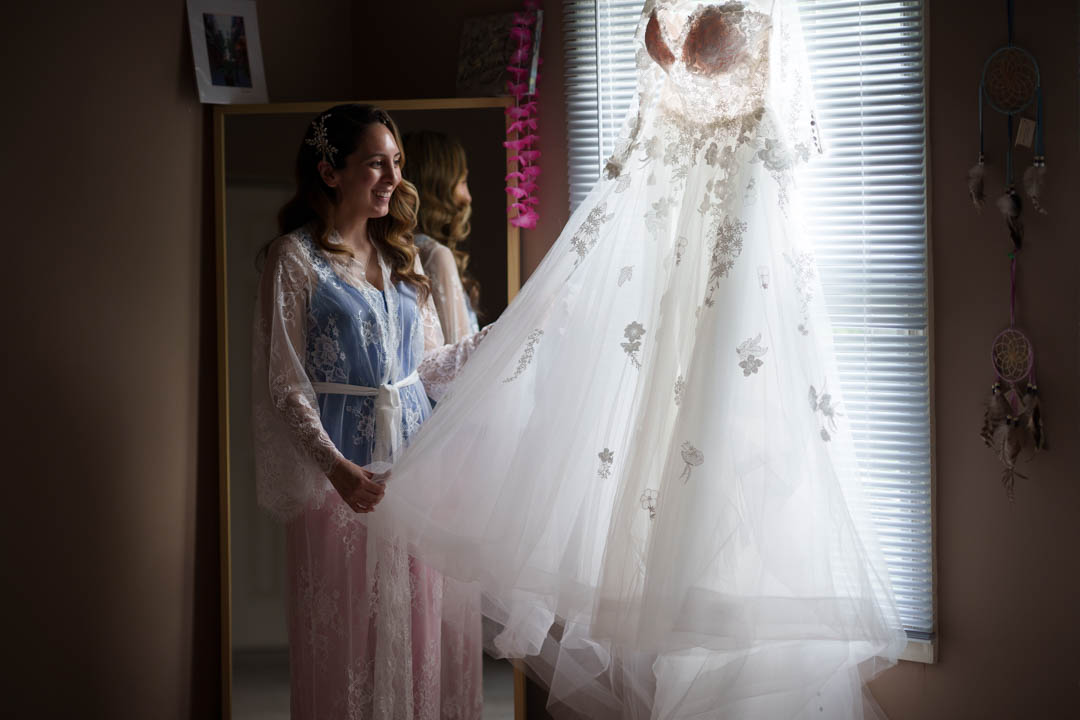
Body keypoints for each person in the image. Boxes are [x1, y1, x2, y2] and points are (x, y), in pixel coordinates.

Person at [376, 2, 908, 718]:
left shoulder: (760, 12)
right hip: (664, 254)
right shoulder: (667, 13)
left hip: (736, 254)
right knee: (657, 466)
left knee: (728, 456)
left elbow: (786, 128)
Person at [251, 104, 486, 720]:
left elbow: (431, 366)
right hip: (341, 481)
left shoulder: (404, 258)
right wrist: (335, 470)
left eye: (397, 163)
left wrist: (508, 340)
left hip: (414, 475)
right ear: (331, 172)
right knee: (347, 643)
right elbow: (286, 386)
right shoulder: (295, 259)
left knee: (414, 636)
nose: (392, 177)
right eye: (376, 163)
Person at [403, 131, 482, 344]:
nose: (468, 197)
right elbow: (459, 357)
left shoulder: (399, 247)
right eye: (463, 181)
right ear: (438, 186)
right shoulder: (435, 255)